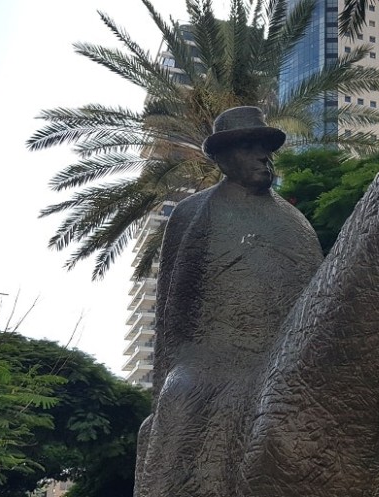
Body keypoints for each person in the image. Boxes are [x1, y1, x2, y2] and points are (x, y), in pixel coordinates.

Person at [134, 107, 323, 497]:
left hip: (282, 356)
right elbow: (173, 310)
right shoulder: (191, 213)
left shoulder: (295, 222)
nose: (262, 156)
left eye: (265, 148)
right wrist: (162, 395)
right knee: (184, 391)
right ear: (221, 158)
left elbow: (318, 304)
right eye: (249, 147)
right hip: (211, 354)